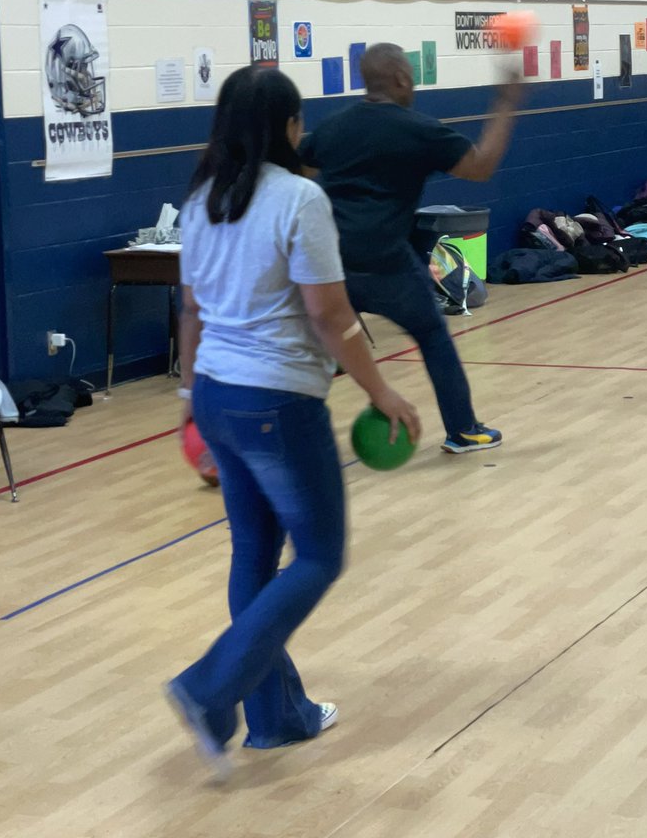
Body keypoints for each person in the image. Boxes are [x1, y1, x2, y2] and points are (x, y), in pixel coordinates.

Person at [166, 65, 420, 777]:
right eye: (299, 121)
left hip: (218, 393)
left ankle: (276, 719)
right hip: (276, 402)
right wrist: (382, 393)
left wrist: (190, 401)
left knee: (254, 553)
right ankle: (209, 688)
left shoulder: (201, 198)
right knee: (318, 555)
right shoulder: (300, 199)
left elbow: (190, 311)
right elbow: (331, 316)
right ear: (288, 128)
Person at [298, 42, 521, 455]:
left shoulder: (331, 127)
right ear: (401, 78)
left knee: (312, 347)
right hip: (386, 262)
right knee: (433, 335)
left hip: (327, 262)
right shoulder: (418, 129)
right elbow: (481, 165)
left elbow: (300, 172)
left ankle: (286, 438)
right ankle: (463, 430)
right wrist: (506, 101)